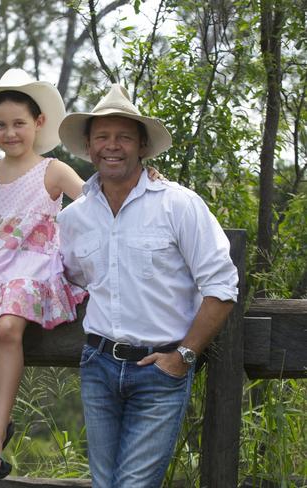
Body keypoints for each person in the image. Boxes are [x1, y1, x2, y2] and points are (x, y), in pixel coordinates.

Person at [57, 84, 239, 487]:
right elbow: (69, 279)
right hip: (98, 365)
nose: (112, 146)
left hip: (160, 369)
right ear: (88, 146)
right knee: (104, 484)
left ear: (142, 145)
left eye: (124, 136)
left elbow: (222, 286)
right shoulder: (74, 218)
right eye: (102, 136)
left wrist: (183, 356)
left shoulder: (178, 204)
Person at [0, 68, 88, 479]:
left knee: (8, 328)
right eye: (1, 125)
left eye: (19, 124)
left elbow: (97, 202)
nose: (10, 133)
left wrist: (145, 180)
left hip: (34, 268)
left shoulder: (53, 170)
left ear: (39, 122)